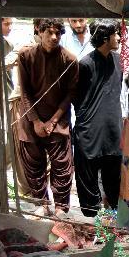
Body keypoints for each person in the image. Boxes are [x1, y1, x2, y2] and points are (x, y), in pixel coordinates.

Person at [15, 18, 79, 213]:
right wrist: (35, 121)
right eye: (49, 32)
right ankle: (42, 205)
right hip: (30, 118)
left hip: (58, 120)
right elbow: (24, 92)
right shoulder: (26, 56)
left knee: (62, 166)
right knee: (34, 166)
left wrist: (53, 121)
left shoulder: (69, 60)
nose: (54, 37)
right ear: (39, 32)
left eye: (58, 33)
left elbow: (70, 94)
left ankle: (61, 209)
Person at [71, 19, 123, 218]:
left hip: (113, 128)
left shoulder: (119, 61)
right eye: (115, 34)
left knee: (114, 173)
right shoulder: (84, 64)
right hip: (90, 129)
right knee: (88, 174)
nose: (118, 37)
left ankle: (114, 213)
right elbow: (77, 97)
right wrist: (86, 119)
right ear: (104, 38)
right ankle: (91, 217)